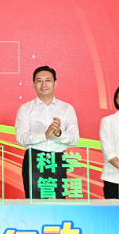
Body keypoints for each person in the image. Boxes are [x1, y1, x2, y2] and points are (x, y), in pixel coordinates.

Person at [14, 66, 79, 199]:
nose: (43, 84)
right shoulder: (25, 109)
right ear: (34, 84)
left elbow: (74, 138)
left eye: (48, 80)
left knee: (58, 202)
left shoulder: (67, 108)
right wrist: (45, 135)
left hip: (58, 159)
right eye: (39, 80)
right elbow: (21, 138)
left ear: (55, 83)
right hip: (34, 159)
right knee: (34, 203)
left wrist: (59, 133)